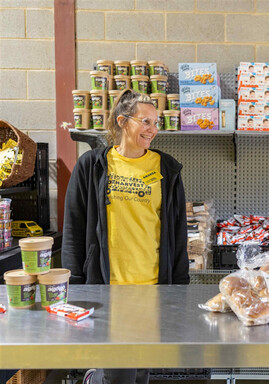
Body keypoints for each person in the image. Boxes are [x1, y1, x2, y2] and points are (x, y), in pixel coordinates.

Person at [62, 89, 189, 384]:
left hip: (153, 290)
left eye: (156, 123)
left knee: (142, 370)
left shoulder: (166, 168)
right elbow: (74, 228)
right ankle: (97, 378)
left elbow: (178, 232)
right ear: (123, 121)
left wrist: (179, 288)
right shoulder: (92, 166)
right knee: (121, 375)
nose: (153, 130)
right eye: (146, 122)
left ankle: (95, 379)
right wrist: (76, 289)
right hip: (110, 289)